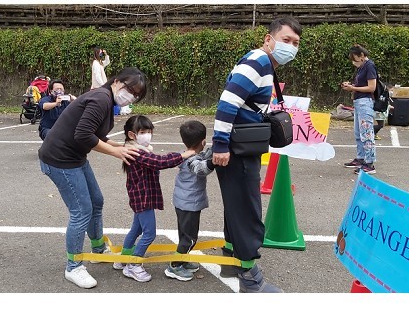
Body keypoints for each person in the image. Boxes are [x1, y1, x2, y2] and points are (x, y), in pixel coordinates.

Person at [212, 16, 302, 293]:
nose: (291, 47)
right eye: (286, 40)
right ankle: (251, 279)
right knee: (247, 208)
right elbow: (227, 103)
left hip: (241, 146)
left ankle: (231, 258)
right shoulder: (258, 62)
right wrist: (220, 145)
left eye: (296, 43)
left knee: (236, 205)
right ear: (268, 39)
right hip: (237, 149)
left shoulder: (263, 64)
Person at [38, 66, 147, 289]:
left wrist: (122, 146)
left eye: (136, 95)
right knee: (81, 211)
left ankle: (98, 250)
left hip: (75, 157)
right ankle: (73, 266)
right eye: (129, 89)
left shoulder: (106, 100)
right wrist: (117, 152)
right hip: (59, 159)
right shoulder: (101, 99)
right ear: (116, 81)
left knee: (96, 201)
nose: (130, 96)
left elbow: (96, 135)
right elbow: (83, 135)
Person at [111, 115, 195, 283]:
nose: (147, 135)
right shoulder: (136, 152)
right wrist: (184, 155)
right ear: (132, 134)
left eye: (149, 131)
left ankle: (124, 258)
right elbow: (159, 162)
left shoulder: (137, 148)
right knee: (149, 233)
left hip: (140, 196)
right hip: (143, 198)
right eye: (143, 132)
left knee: (136, 230)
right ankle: (134, 264)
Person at [165, 120, 215, 282]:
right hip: (189, 205)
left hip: (183, 203)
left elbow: (203, 156)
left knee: (184, 234)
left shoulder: (188, 154)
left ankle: (183, 260)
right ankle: (174, 266)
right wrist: (214, 161)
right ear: (203, 141)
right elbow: (201, 168)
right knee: (190, 238)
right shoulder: (192, 160)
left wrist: (215, 149)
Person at [341, 44, 377, 174]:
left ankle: (369, 163)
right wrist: (351, 86)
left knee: (366, 133)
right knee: (358, 133)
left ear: (362, 56)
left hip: (365, 103)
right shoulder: (361, 67)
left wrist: (353, 88)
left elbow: (371, 87)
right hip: (358, 102)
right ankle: (361, 158)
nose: (354, 62)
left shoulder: (369, 66)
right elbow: (361, 84)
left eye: (355, 59)